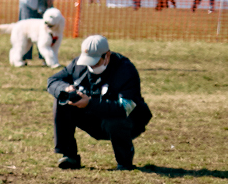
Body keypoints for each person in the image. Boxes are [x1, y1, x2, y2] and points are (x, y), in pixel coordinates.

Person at [47, 34, 151, 170]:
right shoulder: (78, 65)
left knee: (115, 119)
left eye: (95, 61)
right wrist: (66, 89)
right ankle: (69, 155)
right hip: (94, 117)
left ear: (107, 55)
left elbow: (125, 108)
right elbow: (52, 81)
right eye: (87, 61)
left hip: (128, 120)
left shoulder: (125, 70)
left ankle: (125, 162)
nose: (90, 65)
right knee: (63, 100)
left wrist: (89, 103)